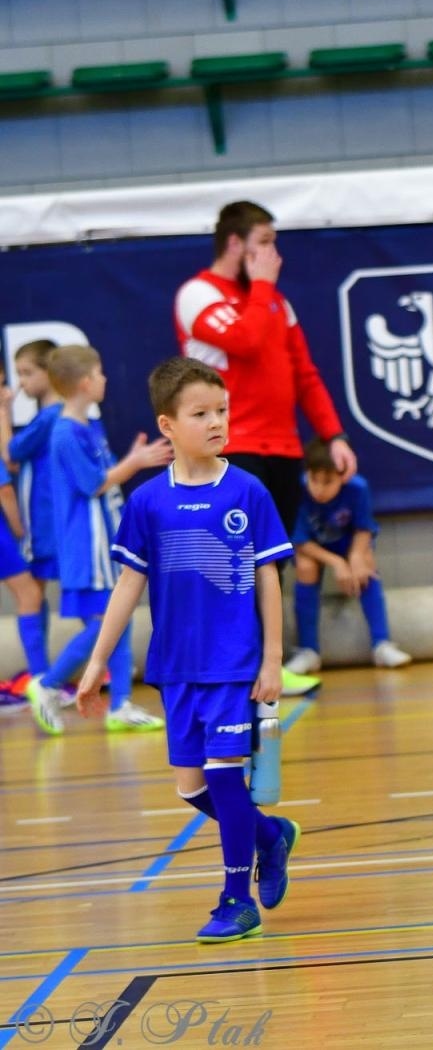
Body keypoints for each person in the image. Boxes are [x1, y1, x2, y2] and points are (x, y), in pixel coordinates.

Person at [73, 356, 300, 944]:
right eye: (201, 413)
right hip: (176, 668)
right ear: (168, 425)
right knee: (191, 787)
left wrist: (272, 658)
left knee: (226, 779)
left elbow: (269, 578)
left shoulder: (247, 491)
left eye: (222, 410)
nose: (217, 421)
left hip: (234, 665)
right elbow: (128, 584)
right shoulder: (148, 503)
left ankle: (236, 899)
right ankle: (270, 838)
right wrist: (97, 660)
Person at [175, 200, 357, 695]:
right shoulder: (197, 294)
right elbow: (248, 342)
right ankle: (231, 664)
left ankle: (265, 665)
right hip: (232, 448)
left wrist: (333, 434)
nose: (275, 254)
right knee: (229, 560)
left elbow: (304, 373)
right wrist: (262, 287)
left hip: (283, 448)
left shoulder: (275, 301)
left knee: (268, 559)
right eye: (265, 243)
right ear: (235, 245)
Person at [22, 347, 171, 736]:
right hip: (87, 547)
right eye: (101, 372)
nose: (106, 378)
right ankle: (48, 683)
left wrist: (131, 458)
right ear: (86, 382)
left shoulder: (86, 426)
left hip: (101, 541)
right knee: (108, 624)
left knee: (114, 623)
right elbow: (94, 484)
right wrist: (136, 463)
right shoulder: (65, 433)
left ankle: (119, 704)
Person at [283, 438, 413, 673]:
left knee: (366, 562)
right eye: (314, 480)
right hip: (315, 548)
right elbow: (300, 541)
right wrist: (337, 562)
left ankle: (382, 644)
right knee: (305, 567)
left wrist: (354, 558)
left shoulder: (358, 488)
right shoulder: (299, 490)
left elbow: (364, 528)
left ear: (342, 478)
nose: (320, 489)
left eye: (328, 482)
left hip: (348, 543)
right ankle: (309, 651)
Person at [2, 339, 65, 698]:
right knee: (33, 592)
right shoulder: (55, 416)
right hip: (40, 525)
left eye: (27, 373)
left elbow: (11, 457)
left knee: (46, 594)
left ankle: (46, 677)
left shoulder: (50, 417)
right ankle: (43, 678)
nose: (19, 383)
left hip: (47, 525)